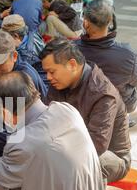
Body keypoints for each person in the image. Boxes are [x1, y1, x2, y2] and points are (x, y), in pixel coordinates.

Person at [42, 39, 131, 182]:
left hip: (112, 156)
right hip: (69, 144)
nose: (48, 77)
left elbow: (97, 146)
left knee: (78, 163)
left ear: (72, 65)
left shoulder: (102, 93)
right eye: (46, 72)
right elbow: (46, 119)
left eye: (52, 71)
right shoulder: (60, 82)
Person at [0, 31, 48, 168]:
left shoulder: (25, 76)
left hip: (30, 130)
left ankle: (4, 166)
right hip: (6, 119)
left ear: (14, 56)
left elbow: (26, 120)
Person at [77, 0, 137, 127]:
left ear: (85, 23)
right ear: (110, 21)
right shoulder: (128, 55)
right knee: (133, 87)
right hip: (116, 106)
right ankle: (121, 117)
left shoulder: (71, 50)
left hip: (81, 108)